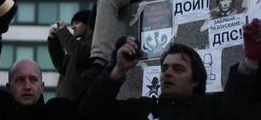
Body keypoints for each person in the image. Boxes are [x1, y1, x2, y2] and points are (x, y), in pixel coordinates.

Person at [79, 18, 261, 120]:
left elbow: (237, 109)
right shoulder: (141, 109)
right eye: (164, 67)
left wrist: (250, 61)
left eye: (178, 69)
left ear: (195, 80)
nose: (167, 73)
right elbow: (90, 113)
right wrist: (118, 70)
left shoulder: (210, 108)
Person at [0, 29, 78, 119]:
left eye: (33, 79)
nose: (27, 86)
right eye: (20, 80)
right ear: (9, 87)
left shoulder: (61, 113)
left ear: (42, 87)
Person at [47, 10, 93, 102]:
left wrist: (63, 30)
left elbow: (80, 53)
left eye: (76, 23)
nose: (72, 27)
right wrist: (54, 40)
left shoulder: (92, 42)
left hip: (79, 103)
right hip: (67, 101)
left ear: (88, 24)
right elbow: (61, 66)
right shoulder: (78, 44)